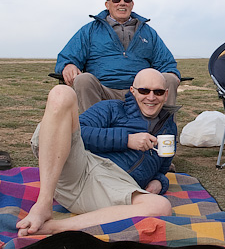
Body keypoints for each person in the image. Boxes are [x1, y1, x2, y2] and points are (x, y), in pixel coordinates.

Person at [16, 68, 178, 237]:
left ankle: (56, 227)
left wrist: (160, 182)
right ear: (133, 91)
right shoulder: (111, 108)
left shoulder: (169, 128)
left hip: (116, 187)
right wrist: (127, 139)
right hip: (81, 167)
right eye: (144, 91)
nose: (151, 97)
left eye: (158, 92)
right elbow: (81, 132)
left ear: (166, 95)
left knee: (161, 207)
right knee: (61, 93)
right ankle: (43, 204)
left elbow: (162, 168)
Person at [55, 0, 181, 113]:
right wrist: (68, 65)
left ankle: (164, 131)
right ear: (107, 4)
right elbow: (66, 57)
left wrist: (172, 74)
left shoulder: (148, 32)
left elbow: (167, 63)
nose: (122, 3)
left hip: (142, 92)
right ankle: (92, 129)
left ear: (132, 4)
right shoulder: (89, 30)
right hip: (103, 90)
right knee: (83, 79)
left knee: (169, 79)